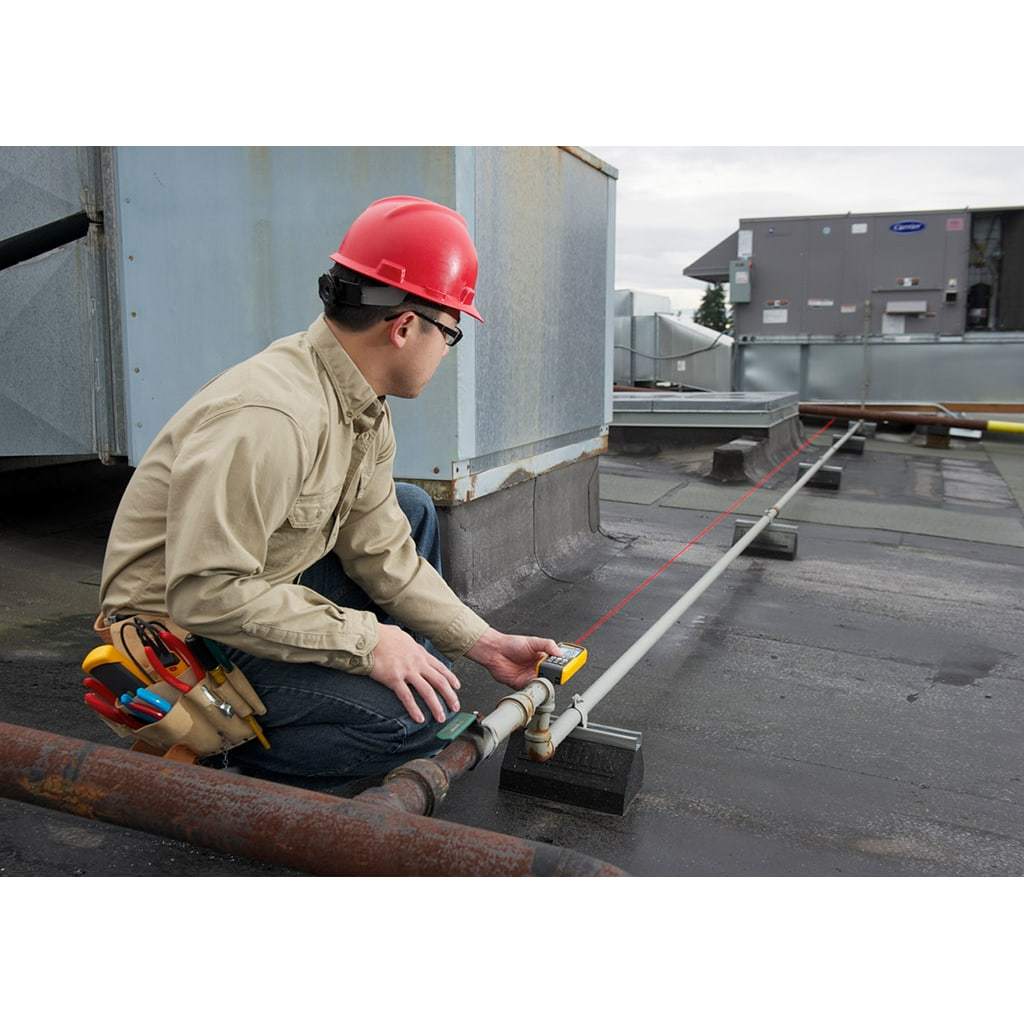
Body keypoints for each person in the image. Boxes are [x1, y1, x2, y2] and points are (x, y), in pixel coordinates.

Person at [99, 195, 560, 780]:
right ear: (404, 327)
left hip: (254, 583)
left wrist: (483, 641)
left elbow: (381, 549)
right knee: (412, 725)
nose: (447, 349)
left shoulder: (359, 403)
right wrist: (368, 642)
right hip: (177, 636)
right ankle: (215, 749)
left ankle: (398, 688)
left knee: (411, 508)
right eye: (451, 332)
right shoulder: (272, 419)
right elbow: (204, 593)